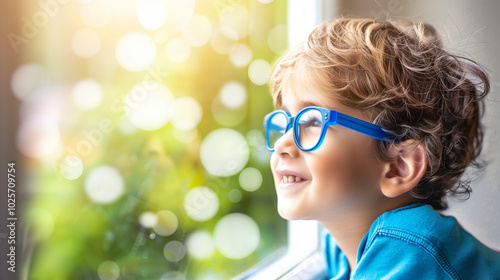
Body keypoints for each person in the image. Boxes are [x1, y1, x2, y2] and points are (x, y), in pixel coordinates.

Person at [263, 18, 500, 279]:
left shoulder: (408, 246)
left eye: (314, 122)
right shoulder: (339, 244)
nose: (282, 143)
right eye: (286, 122)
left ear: (398, 167)